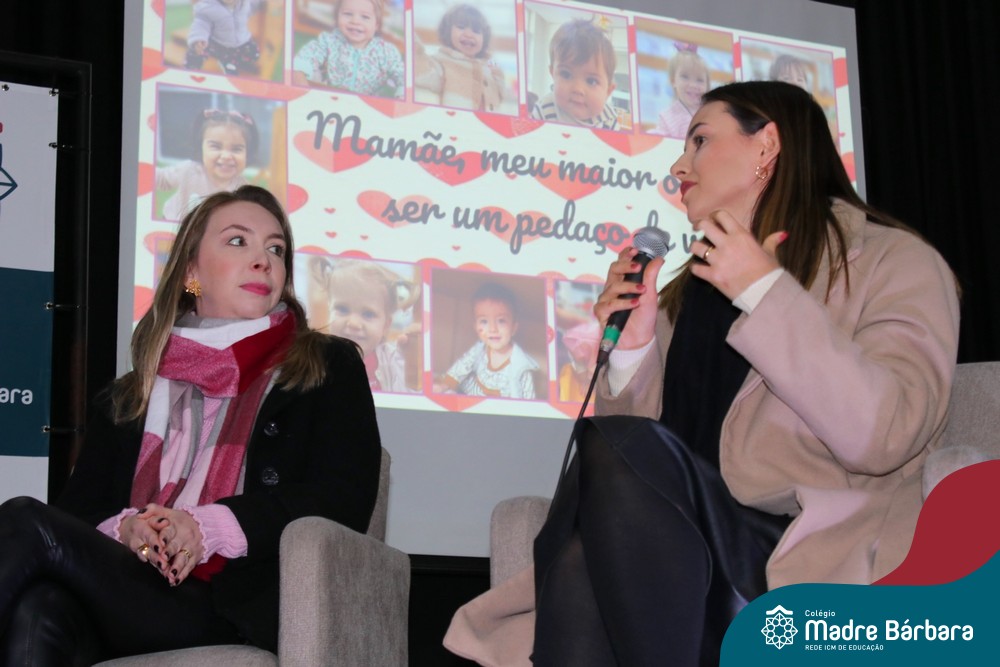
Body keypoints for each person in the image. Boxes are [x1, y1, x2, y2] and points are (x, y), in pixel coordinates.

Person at [444, 81, 959, 665]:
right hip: (676, 551)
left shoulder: (893, 261)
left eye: (700, 140)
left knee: (592, 530)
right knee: (590, 519)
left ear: (766, 144)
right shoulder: (686, 294)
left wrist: (765, 293)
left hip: (801, 551)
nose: (679, 165)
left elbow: (885, 433)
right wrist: (634, 345)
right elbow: (642, 463)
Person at [0, 186, 382, 664]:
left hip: (231, 601)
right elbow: (80, 510)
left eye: (276, 249)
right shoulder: (131, 395)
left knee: (27, 520)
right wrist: (127, 529)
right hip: (131, 587)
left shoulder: (326, 365)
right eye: (238, 241)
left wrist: (208, 526)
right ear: (191, 273)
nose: (263, 260)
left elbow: (343, 496)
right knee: (39, 610)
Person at [308, 256, 420, 393]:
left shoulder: (391, 361)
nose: (353, 323)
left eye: (368, 314)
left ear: (385, 325)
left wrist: (408, 360)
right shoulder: (316, 358)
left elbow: (407, 394)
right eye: (342, 309)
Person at [434, 282, 539, 399]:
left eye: (501, 321)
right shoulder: (480, 348)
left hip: (499, 406)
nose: (493, 329)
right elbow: (462, 366)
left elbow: (529, 398)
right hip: (472, 394)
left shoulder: (521, 366)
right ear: (475, 327)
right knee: (446, 388)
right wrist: (445, 385)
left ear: (513, 328)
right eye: (484, 321)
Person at [156, 108, 258, 222]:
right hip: (173, 226)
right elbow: (161, 179)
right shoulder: (188, 170)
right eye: (216, 146)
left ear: (247, 154)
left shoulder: (243, 190)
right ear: (201, 148)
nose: (226, 156)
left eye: (236, 149)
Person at [291, 0, 404, 99]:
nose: (355, 21)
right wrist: (301, 82)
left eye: (365, 17)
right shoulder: (329, 41)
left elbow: (403, 75)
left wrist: (402, 93)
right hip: (331, 102)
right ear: (337, 16)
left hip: (368, 109)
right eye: (348, 14)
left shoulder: (385, 52)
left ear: (376, 25)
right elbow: (304, 58)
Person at [413, 4, 507, 113]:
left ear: (484, 38)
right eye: (461, 27)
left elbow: (501, 93)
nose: (469, 34)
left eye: (476, 31)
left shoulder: (488, 67)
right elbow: (424, 76)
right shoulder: (443, 61)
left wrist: (496, 72)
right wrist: (416, 50)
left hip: (487, 123)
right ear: (447, 31)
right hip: (457, 121)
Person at [530, 18, 620, 130]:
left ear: (608, 91)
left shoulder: (609, 120)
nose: (577, 89)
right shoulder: (543, 109)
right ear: (553, 74)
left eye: (591, 81)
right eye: (566, 74)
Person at [185, 0, 264, 76]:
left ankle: (231, 62)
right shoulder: (208, 7)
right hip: (218, 43)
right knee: (200, 49)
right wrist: (199, 38)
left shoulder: (244, 3)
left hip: (240, 42)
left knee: (253, 53)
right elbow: (201, 24)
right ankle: (192, 66)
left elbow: (253, 5)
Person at [652, 43, 710, 138]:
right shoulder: (667, 118)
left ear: (707, 85)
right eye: (685, 77)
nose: (693, 85)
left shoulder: (710, 113)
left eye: (700, 80)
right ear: (673, 81)